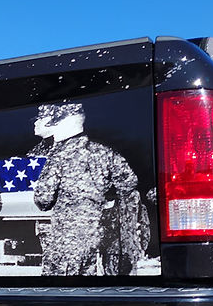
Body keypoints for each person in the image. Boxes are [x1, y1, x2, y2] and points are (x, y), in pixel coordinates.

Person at [32, 103, 139, 276]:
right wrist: (103, 196)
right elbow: (129, 182)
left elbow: (43, 200)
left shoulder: (59, 155)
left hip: (66, 235)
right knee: (86, 282)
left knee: (57, 290)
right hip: (95, 230)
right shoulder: (104, 152)